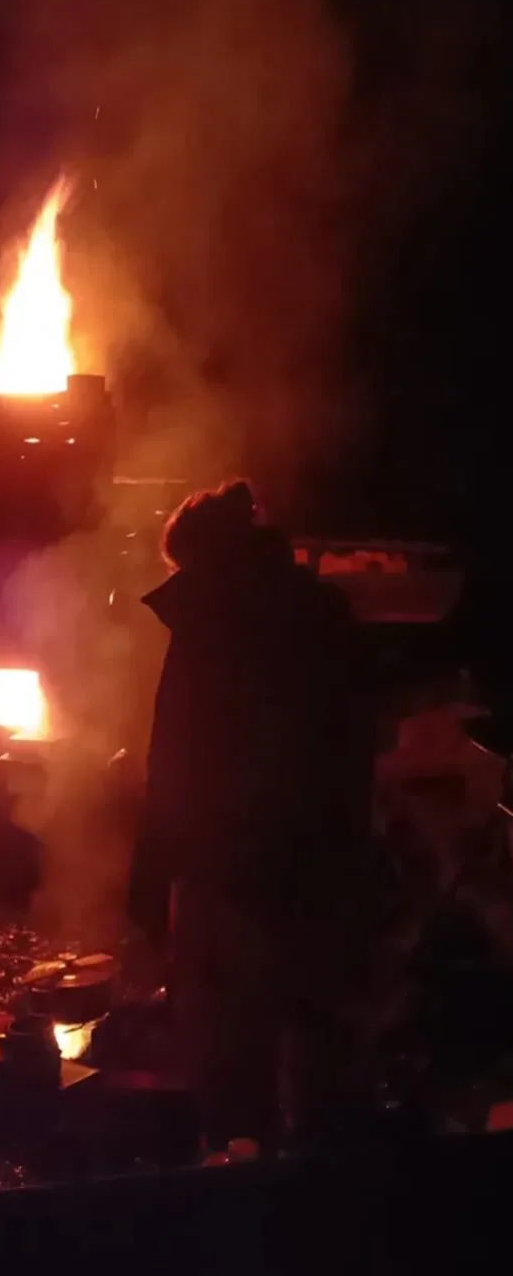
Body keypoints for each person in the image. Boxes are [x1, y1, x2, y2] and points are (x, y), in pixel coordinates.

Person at [129, 481, 374, 1147]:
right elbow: (353, 747)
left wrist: (149, 887)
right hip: (317, 864)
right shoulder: (324, 614)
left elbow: (173, 759)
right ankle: (318, 1166)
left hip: (225, 873)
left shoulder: (211, 621)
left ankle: (242, 1172)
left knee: (231, 1049)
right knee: (312, 1035)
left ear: (204, 559)